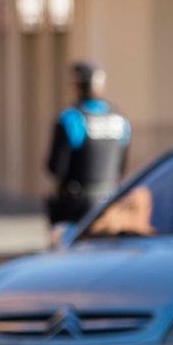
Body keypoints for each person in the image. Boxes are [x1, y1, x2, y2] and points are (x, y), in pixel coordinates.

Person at [45, 61, 130, 224]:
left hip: (77, 206)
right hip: (110, 201)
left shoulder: (71, 118)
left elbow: (56, 167)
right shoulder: (120, 119)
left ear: (77, 87)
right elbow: (122, 165)